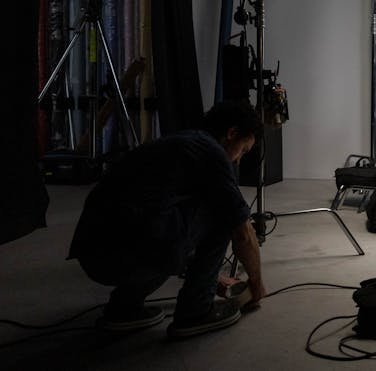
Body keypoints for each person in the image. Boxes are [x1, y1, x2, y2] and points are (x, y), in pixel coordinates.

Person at [68, 101, 267, 337]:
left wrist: (211, 277)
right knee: (225, 213)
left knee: (162, 219)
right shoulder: (212, 153)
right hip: (127, 253)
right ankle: (195, 311)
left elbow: (170, 224)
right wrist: (256, 283)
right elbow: (243, 233)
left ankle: (124, 308)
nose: (237, 160)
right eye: (243, 150)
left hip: (95, 256)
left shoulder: (180, 144)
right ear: (231, 133)